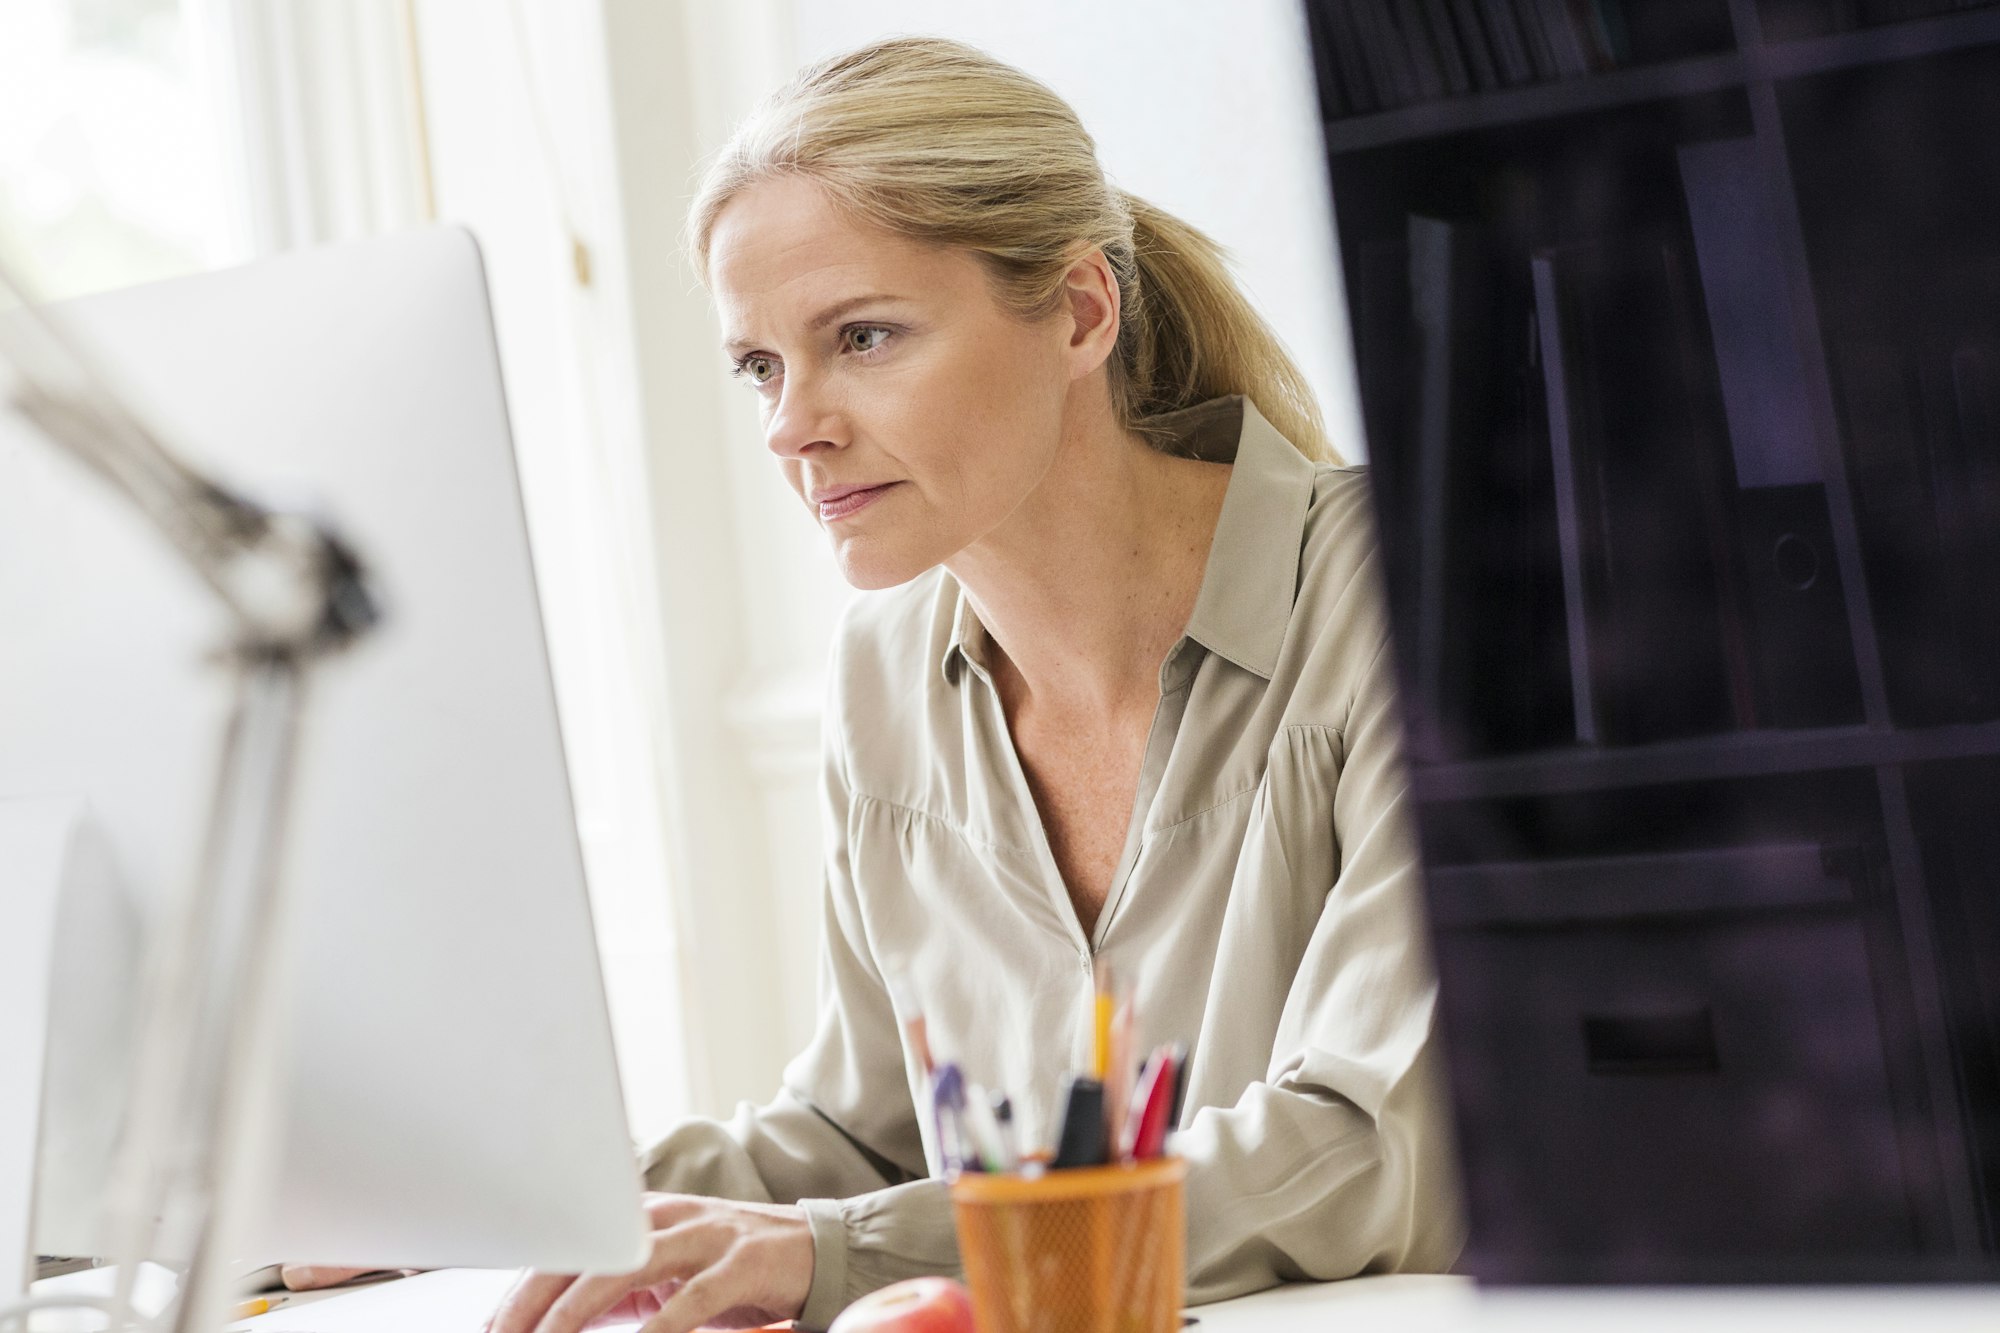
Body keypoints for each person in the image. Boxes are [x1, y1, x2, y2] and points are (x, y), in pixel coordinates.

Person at [474, 33, 1462, 1333]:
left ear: (1081, 312)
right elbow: (860, 1134)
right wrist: (516, 1211)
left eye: (863, 337)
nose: (792, 426)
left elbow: (1363, 1149)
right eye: (760, 366)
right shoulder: (885, 674)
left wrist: (832, 1252)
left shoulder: (1414, 590)